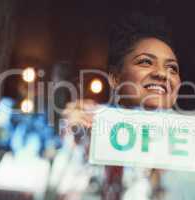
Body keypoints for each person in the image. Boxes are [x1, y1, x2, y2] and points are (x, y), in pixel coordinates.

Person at [63, 13, 181, 200]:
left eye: (172, 68)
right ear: (115, 77)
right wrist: (70, 136)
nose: (162, 73)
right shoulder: (89, 128)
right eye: (145, 62)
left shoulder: (191, 147)